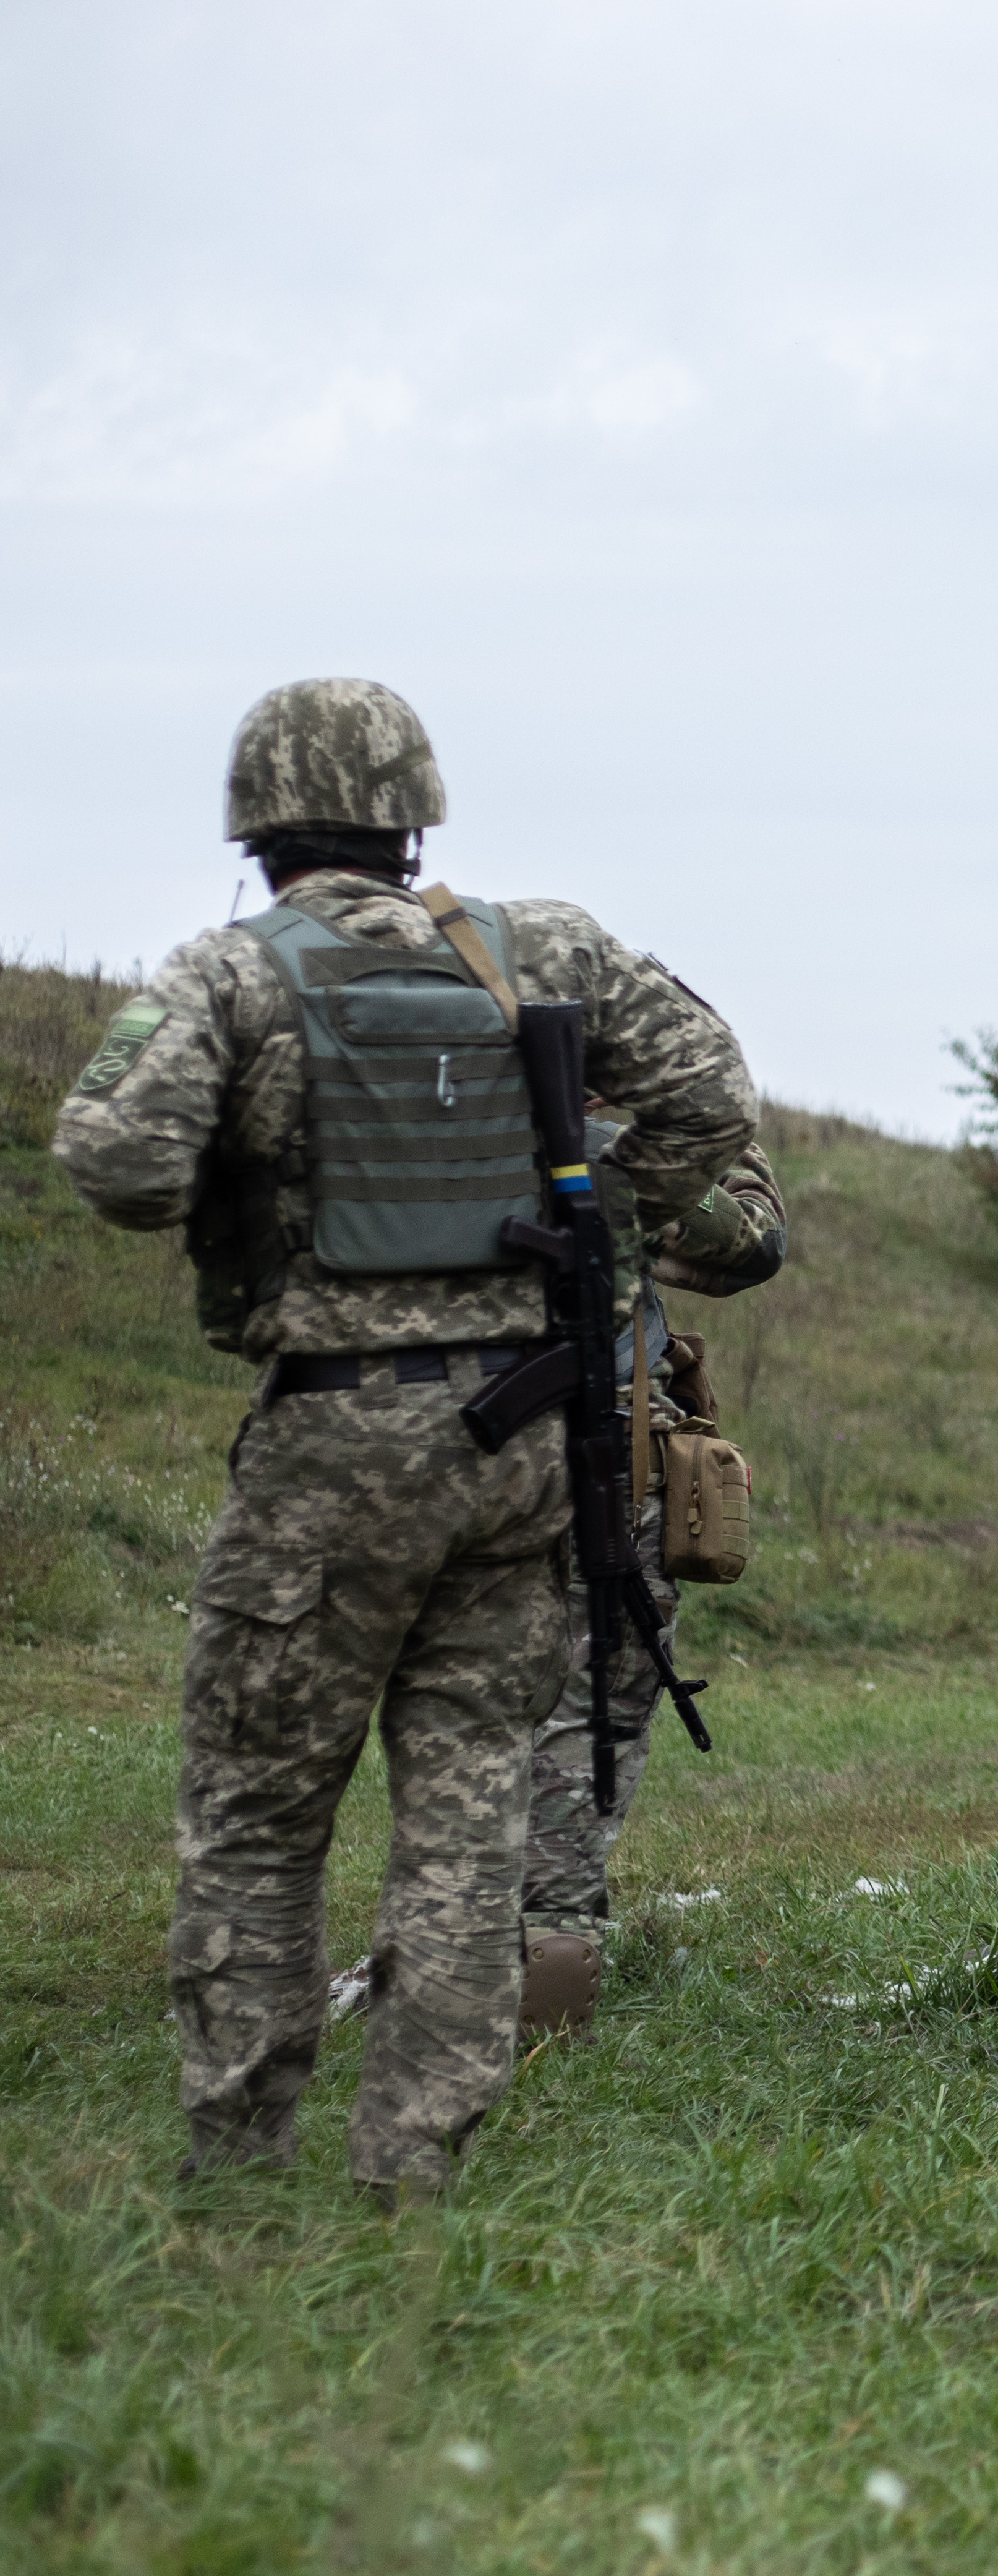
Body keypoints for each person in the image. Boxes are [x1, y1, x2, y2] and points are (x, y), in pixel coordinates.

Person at [53, 677, 759, 2199]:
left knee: (257, 1816)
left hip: (333, 1447)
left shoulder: (233, 974)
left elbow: (113, 1162)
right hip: (525, 1438)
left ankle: (240, 2179)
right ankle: (414, 2171)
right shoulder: (540, 950)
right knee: (472, 1813)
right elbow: (713, 1095)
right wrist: (597, 1213)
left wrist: (262, 1171)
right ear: (413, 815)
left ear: (257, 832)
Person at [513, 1131, 787, 2038]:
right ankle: (547, 1961)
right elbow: (748, 1242)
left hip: (391, 1442)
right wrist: (732, 1132)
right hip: (594, 1454)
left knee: (439, 1710)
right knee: (590, 1713)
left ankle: (425, 1945)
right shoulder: (595, 1144)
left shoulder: (371, 1103)